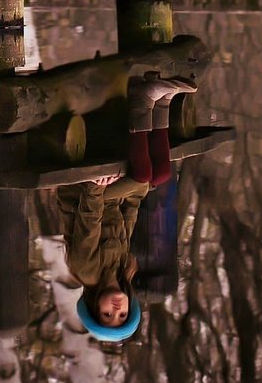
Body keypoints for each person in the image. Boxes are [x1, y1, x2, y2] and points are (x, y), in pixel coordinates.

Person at [57, 73, 198, 342]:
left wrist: (95, 186)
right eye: (121, 316)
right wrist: (136, 192)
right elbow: (129, 215)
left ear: (93, 305)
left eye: (106, 315)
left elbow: (88, 220)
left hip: (83, 194)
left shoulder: (87, 271)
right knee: (157, 176)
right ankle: (162, 103)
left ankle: (143, 101)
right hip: (110, 197)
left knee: (145, 177)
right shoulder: (125, 268)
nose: (116, 310)